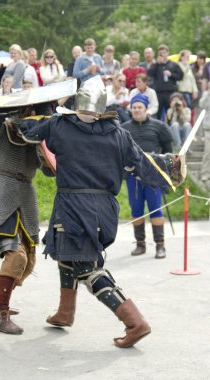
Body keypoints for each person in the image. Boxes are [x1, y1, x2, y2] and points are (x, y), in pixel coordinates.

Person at [11, 76, 185, 348]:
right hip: (104, 209)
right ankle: (65, 312)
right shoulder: (120, 135)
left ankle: (134, 321)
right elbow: (143, 163)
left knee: (87, 266)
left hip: (74, 207)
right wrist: (171, 165)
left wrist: (28, 109)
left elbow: (25, 130)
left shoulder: (60, 125)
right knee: (67, 255)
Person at [0, 95, 55, 334]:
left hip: (25, 197)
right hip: (3, 193)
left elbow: (50, 171)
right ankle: (0, 316)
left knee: (29, 260)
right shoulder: (2, 128)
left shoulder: (36, 137)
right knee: (16, 257)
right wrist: (12, 104)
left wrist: (45, 139)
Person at [121, 93, 173, 259]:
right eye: (134, 107)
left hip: (153, 177)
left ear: (146, 109)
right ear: (131, 109)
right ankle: (140, 244)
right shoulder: (124, 128)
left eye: (139, 107)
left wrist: (166, 172)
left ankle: (160, 245)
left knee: (156, 210)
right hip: (133, 177)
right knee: (137, 211)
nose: (136, 110)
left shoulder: (160, 127)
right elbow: (120, 151)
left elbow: (168, 152)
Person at [148, 44, 183, 120]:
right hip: (158, 93)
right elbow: (150, 74)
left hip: (170, 93)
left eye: (164, 53)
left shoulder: (173, 64)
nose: (162, 55)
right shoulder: (155, 65)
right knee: (158, 114)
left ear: (168, 53)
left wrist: (171, 74)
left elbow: (180, 76)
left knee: (170, 113)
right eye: (160, 53)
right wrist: (157, 63)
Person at [199, 83, 210, 184]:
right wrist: (208, 93)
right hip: (208, 128)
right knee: (208, 152)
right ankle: (205, 174)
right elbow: (201, 105)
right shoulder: (206, 94)